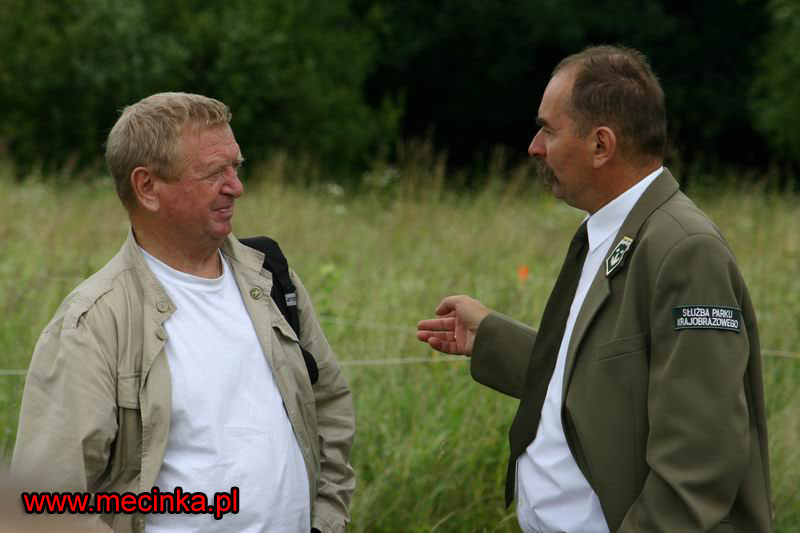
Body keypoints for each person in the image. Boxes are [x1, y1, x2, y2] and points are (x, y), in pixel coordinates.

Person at [417, 46, 772, 532]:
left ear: (601, 145)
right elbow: (604, 379)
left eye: (548, 129)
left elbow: (700, 459)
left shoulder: (685, 250)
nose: (534, 147)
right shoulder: (610, 231)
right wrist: (492, 337)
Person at [12, 92, 355, 533]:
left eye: (236, 166)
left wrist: (324, 522)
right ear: (147, 187)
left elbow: (329, 405)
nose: (236, 186)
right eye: (214, 172)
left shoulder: (271, 277)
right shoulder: (93, 323)